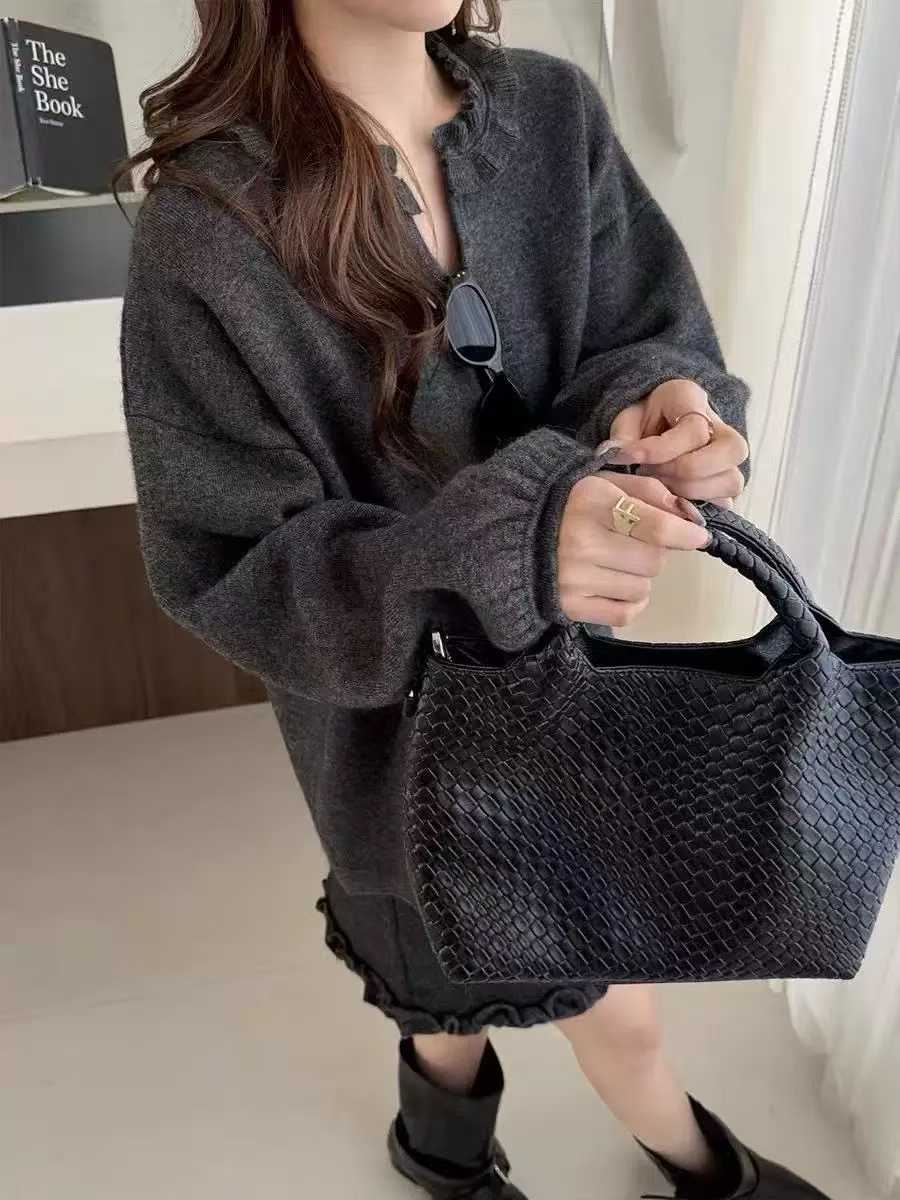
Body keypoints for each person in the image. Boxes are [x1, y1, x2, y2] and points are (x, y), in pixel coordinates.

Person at [117, 2, 831, 1197]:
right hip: (392, 739)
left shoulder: (549, 113)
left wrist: (667, 404)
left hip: (579, 694)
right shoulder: (209, 225)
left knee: (544, 993)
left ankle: (448, 1147)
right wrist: (500, 548)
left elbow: (640, 330)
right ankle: (664, 1166)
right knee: (476, 977)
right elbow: (229, 563)